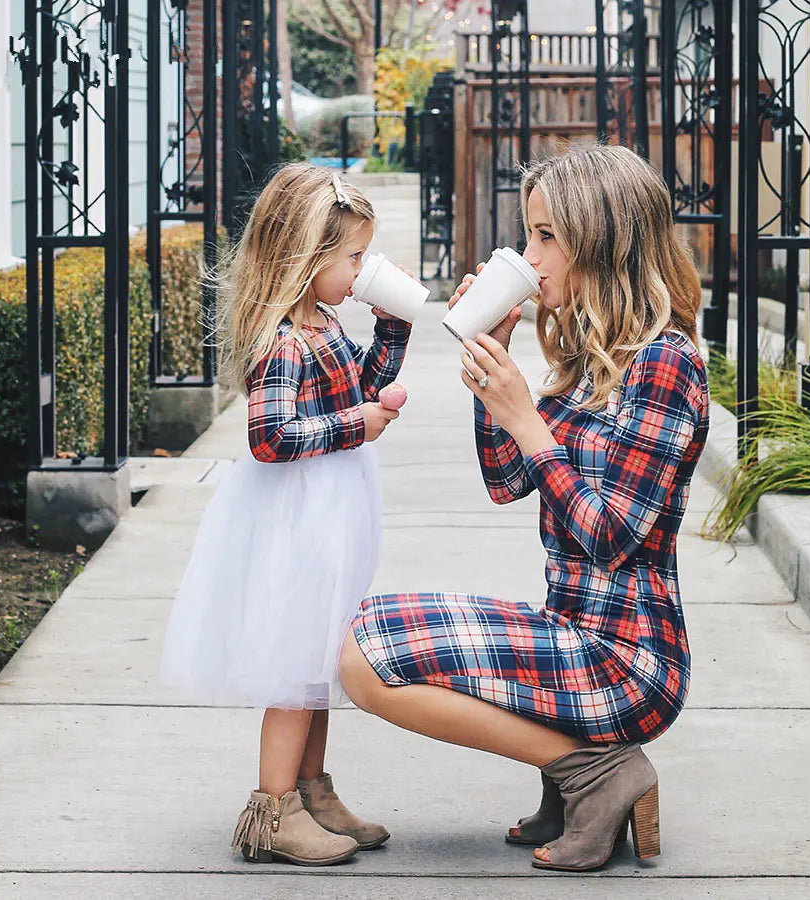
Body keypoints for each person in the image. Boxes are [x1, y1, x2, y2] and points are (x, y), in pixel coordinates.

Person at [339, 143, 710, 872]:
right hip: (571, 630)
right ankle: (574, 772)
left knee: (365, 663)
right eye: (529, 234)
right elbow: (507, 482)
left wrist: (527, 420)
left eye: (546, 237)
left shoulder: (666, 363)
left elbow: (609, 539)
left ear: (601, 243)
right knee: (358, 633)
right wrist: (494, 374)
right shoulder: (589, 351)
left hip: (628, 661)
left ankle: (598, 772)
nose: (528, 256)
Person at [161, 164, 412, 866]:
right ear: (305, 258)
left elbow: (363, 384)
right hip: (299, 517)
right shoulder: (282, 341)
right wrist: (354, 427)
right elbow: (269, 439)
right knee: (293, 666)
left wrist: (391, 332)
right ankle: (272, 812)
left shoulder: (324, 322)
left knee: (318, 660)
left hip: (330, 512)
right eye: (354, 257)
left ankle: (312, 791)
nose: (363, 270)